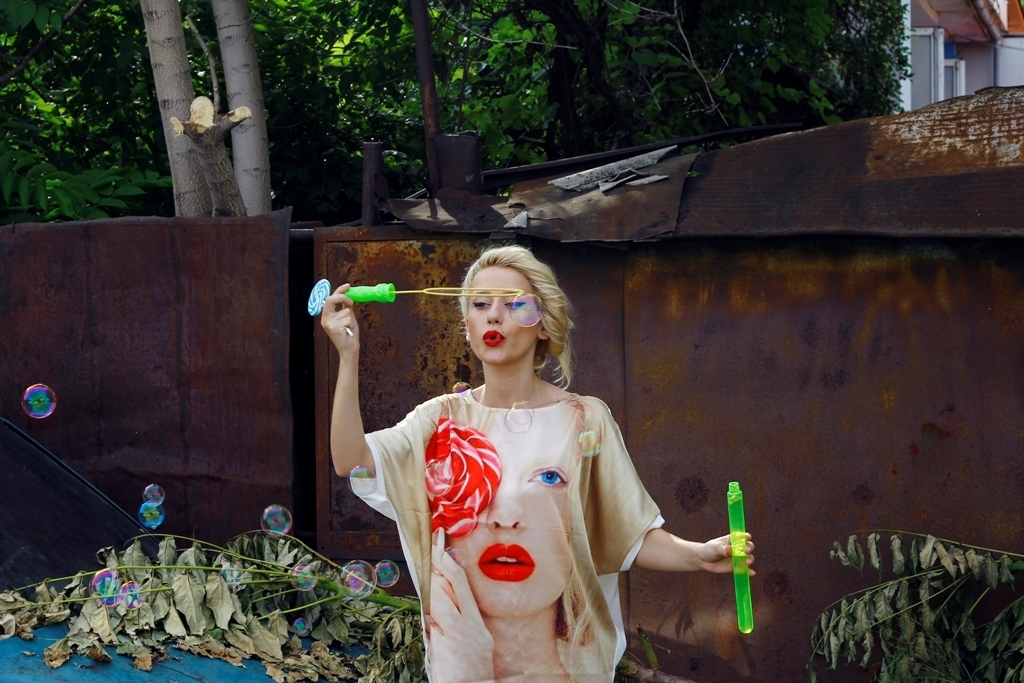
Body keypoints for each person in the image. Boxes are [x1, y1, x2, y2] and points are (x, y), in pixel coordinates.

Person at [321, 245, 755, 683]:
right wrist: (348, 355)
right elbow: (351, 461)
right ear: (467, 328)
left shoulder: (583, 419)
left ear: (543, 325)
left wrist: (698, 555)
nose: (494, 317)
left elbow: (629, 534)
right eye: (480, 305)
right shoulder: (438, 420)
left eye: (514, 305)